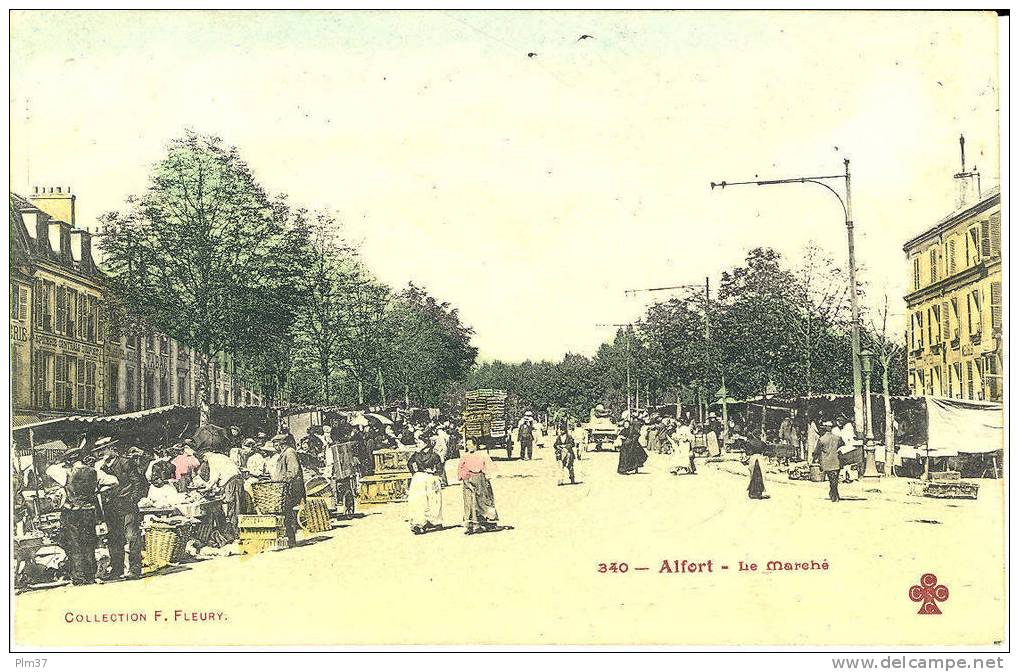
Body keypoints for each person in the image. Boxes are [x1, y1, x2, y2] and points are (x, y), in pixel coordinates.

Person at [46, 447, 108, 585]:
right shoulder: (95, 472)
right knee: (89, 542)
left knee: (74, 544)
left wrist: (61, 461)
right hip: (89, 511)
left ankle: (78, 578)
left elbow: (49, 469)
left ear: (69, 460)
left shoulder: (64, 473)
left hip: (72, 512)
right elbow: (113, 482)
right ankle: (90, 575)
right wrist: (98, 490)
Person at [96, 438, 146, 580]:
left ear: (112, 449)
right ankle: (116, 570)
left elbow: (138, 483)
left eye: (103, 449)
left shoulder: (125, 462)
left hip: (127, 506)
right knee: (114, 539)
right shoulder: (101, 468)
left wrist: (132, 499)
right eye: (98, 451)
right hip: (110, 509)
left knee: (132, 537)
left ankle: (135, 570)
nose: (101, 453)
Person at [193, 448, 245, 540]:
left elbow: (214, 478)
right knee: (238, 507)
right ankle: (237, 532)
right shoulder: (221, 456)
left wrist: (206, 489)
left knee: (233, 509)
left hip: (232, 482)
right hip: (238, 480)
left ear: (205, 456)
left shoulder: (212, 459)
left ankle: (235, 534)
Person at [271, 433, 306, 546]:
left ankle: (291, 539)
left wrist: (282, 480)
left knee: (287, 512)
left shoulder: (289, 452)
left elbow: (293, 471)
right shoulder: (284, 453)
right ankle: (289, 538)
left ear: (281, 444)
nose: (274, 447)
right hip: (287, 486)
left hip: (292, 487)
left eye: (275, 444)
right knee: (286, 512)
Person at [457, 441, 499, 534]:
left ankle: (488, 522)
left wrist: (487, 478)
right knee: (470, 502)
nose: (469, 447)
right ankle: (472, 525)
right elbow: (461, 469)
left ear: (476, 445)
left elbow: (489, 467)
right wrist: (466, 481)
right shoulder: (464, 456)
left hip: (480, 480)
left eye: (471, 445)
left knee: (484, 501)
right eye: (467, 445)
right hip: (468, 479)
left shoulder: (483, 455)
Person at [407, 438, 445, 534]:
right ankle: (421, 522)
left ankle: (434, 521)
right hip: (421, 479)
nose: (418, 444)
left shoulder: (433, 455)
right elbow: (409, 463)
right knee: (419, 500)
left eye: (419, 442)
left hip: (429, 478)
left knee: (433, 499)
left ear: (426, 444)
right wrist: (415, 473)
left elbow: (440, 468)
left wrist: (435, 473)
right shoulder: (417, 454)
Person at [325, 426, 359, 517]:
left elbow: (330, 463)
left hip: (335, 473)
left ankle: (334, 502)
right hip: (346, 472)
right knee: (346, 488)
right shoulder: (346, 447)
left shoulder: (331, 449)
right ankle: (346, 504)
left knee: (331, 488)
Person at [814, 422, 845, 503]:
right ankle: (834, 494)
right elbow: (843, 446)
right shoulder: (838, 438)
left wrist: (815, 458)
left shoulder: (822, 439)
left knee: (831, 479)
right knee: (835, 479)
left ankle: (834, 494)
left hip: (826, 462)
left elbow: (817, 451)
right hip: (836, 460)